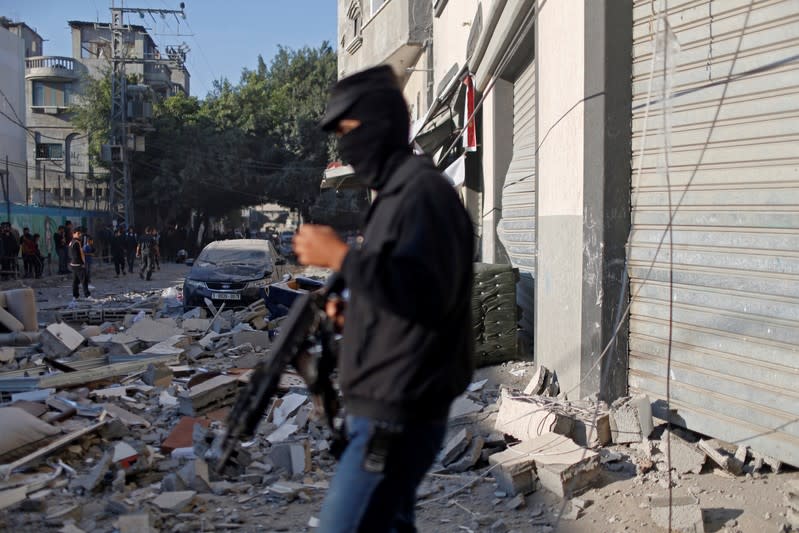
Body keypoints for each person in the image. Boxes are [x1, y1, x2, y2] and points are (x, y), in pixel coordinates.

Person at [292, 65, 475, 533]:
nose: (345, 145)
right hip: (384, 402)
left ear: (380, 123)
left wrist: (338, 257)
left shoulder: (423, 194)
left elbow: (423, 295)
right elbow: (400, 292)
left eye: (349, 130)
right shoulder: (395, 195)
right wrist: (356, 313)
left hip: (398, 411)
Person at [68, 226, 90, 300]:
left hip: (73, 264)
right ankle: (87, 295)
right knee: (84, 280)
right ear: (75, 233)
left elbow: (70, 254)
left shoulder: (71, 242)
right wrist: (83, 263)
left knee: (75, 281)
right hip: (78, 264)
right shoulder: (77, 242)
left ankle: (75, 296)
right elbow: (81, 253)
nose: (80, 235)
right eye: (79, 233)